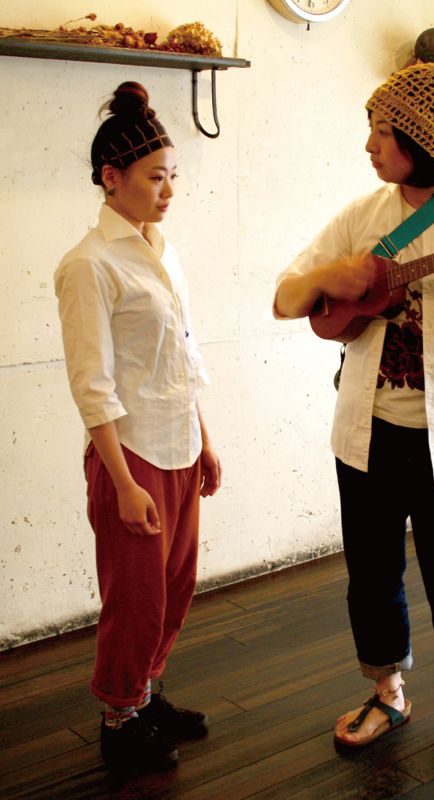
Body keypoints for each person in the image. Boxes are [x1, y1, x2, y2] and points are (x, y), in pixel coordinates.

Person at [273, 61, 434, 772]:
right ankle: (387, 692)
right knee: (371, 576)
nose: (369, 145)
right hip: (366, 433)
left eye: (383, 131)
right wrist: (331, 277)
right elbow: (285, 299)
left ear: (422, 138)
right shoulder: (362, 217)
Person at [54, 81, 222, 775]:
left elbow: (181, 351)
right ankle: (119, 719)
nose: (169, 190)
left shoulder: (161, 248)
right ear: (111, 177)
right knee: (136, 600)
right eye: (156, 177)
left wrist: (204, 438)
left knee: (175, 588)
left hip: (178, 442)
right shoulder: (87, 265)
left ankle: (145, 695)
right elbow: (91, 385)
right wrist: (122, 483)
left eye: (173, 175)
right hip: (131, 454)